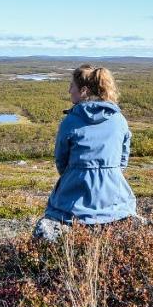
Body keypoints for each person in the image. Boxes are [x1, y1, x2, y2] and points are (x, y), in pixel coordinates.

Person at [43, 64, 138, 227]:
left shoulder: (70, 121)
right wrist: (111, 174)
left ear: (84, 90)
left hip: (73, 194)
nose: (69, 90)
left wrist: (74, 177)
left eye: (72, 85)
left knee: (59, 214)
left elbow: (61, 161)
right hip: (116, 194)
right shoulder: (119, 119)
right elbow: (123, 158)